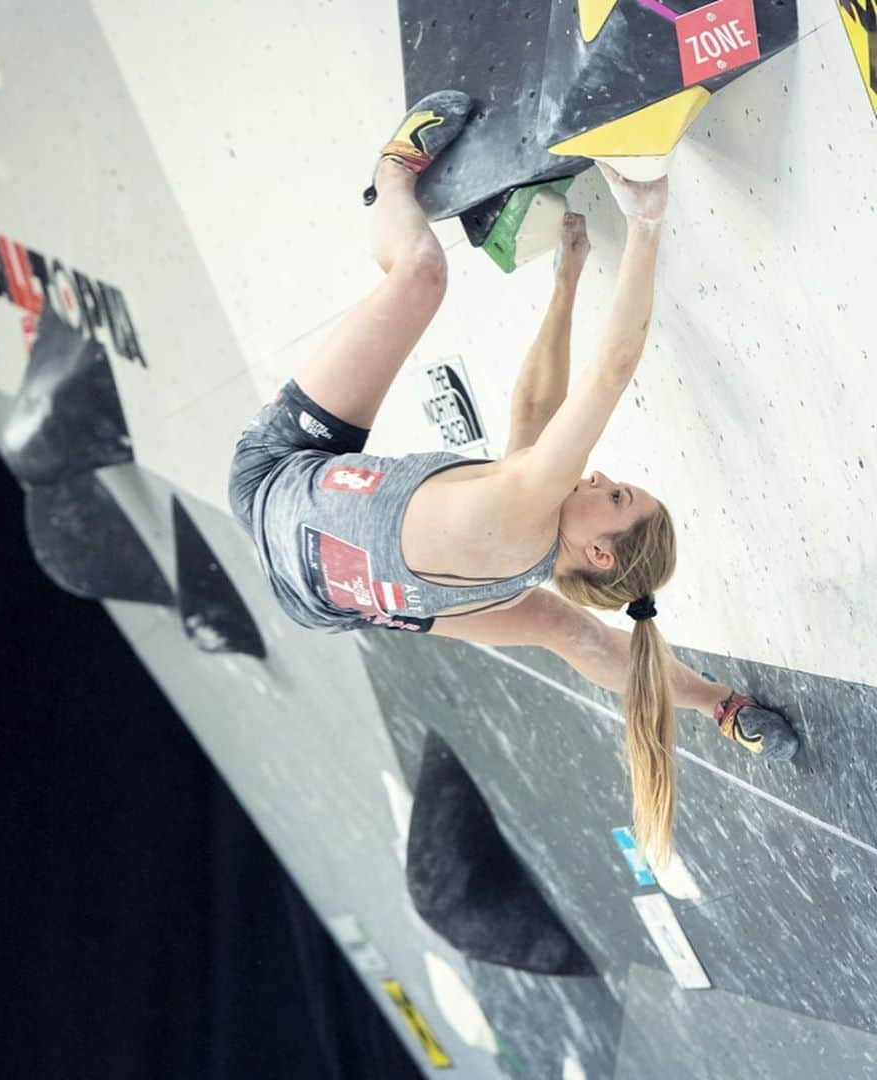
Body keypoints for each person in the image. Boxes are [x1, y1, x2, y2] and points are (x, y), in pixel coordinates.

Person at [228, 91, 799, 865]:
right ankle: (723, 713)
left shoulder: (526, 510)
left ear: (599, 552)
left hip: (276, 478)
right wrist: (565, 283)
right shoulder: (527, 571)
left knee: (422, 274)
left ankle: (391, 176)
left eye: (617, 496)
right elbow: (536, 407)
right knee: (561, 631)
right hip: (315, 595)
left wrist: (645, 220)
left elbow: (613, 369)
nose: (600, 477)